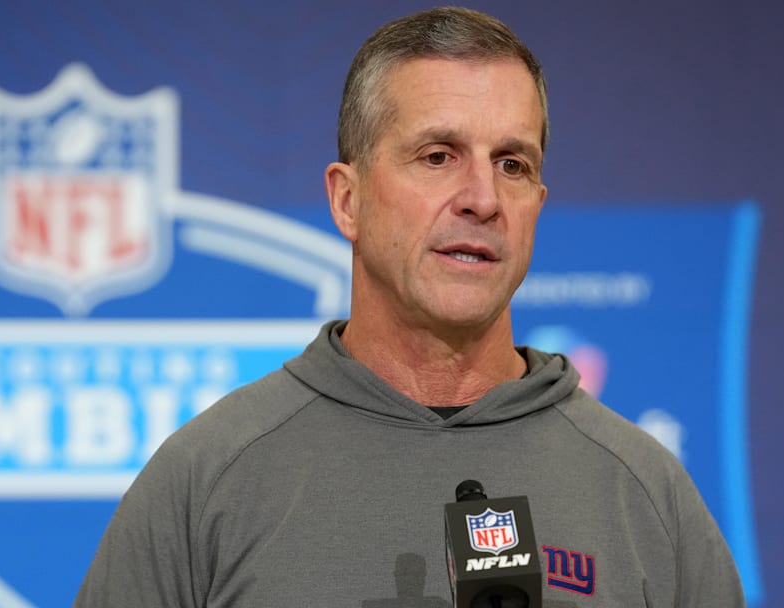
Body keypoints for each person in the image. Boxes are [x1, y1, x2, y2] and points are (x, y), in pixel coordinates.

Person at [75, 7, 744, 607]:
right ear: (348, 200)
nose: (481, 197)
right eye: (438, 156)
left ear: (537, 204)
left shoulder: (645, 492)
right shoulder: (208, 479)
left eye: (512, 164)